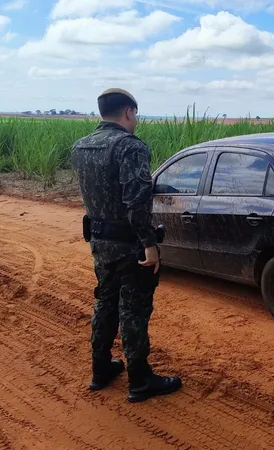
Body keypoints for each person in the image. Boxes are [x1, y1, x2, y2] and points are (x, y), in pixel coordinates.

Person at [70, 88, 182, 403]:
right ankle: (140, 379)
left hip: (100, 242)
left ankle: (100, 368)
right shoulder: (129, 147)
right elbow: (136, 201)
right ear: (129, 112)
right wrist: (149, 244)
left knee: (105, 302)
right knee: (133, 309)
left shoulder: (81, 147)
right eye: (136, 114)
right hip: (129, 244)